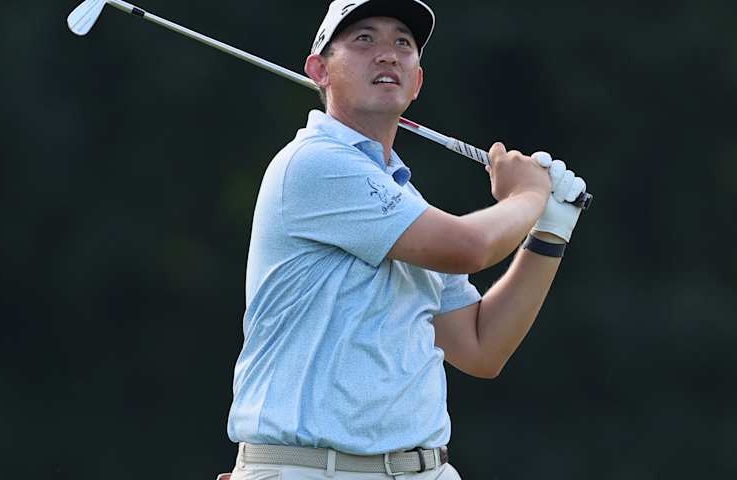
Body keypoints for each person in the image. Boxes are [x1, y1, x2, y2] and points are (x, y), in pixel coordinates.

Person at [222, 0, 587, 478]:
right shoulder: (313, 164)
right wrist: (527, 194)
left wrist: (549, 230)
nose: (387, 54)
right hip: (309, 469)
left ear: (416, 82)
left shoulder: (404, 200)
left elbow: (480, 347)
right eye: (363, 40)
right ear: (319, 70)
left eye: (403, 43)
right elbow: (469, 249)